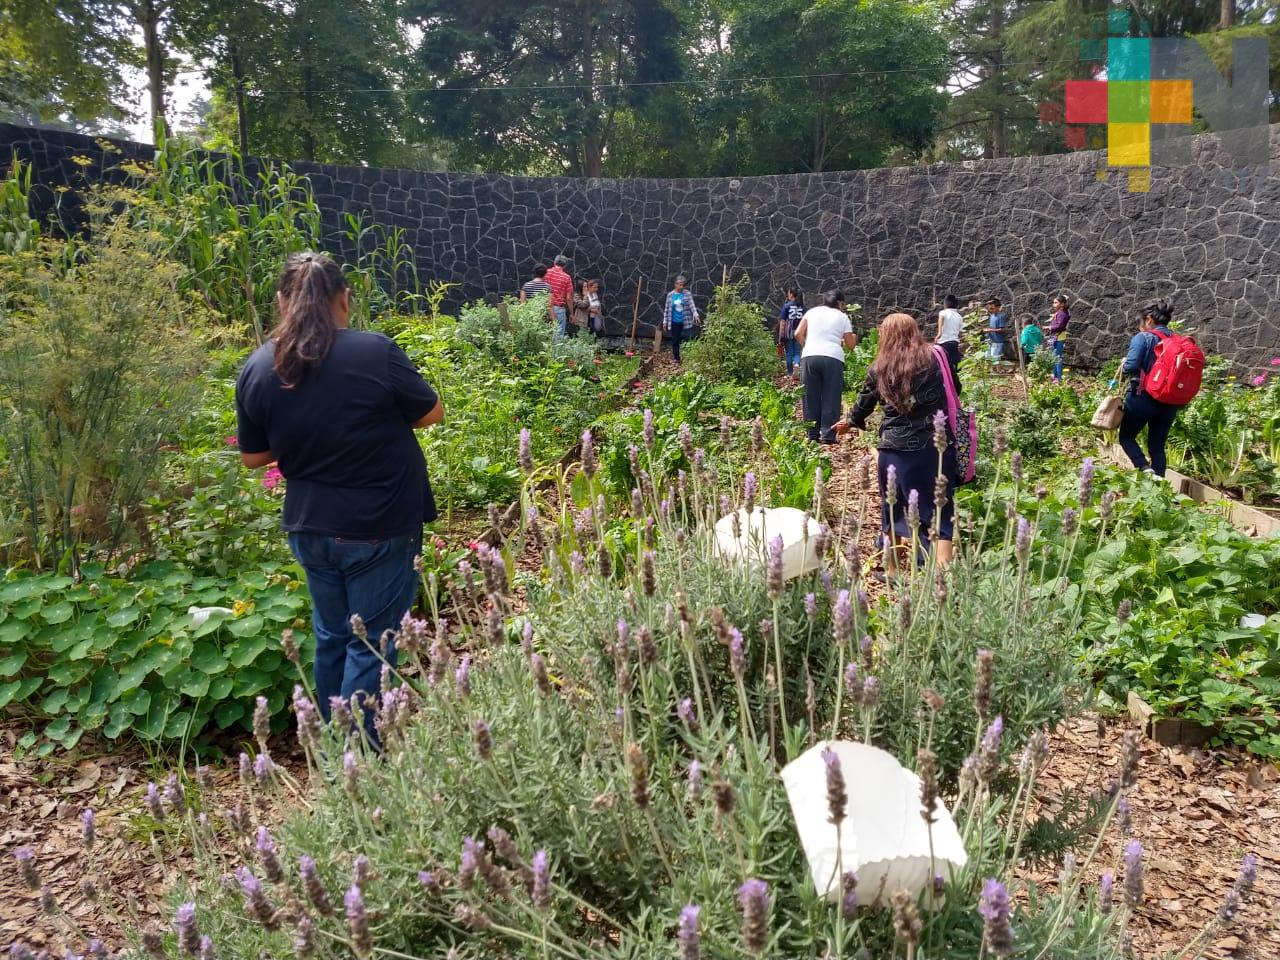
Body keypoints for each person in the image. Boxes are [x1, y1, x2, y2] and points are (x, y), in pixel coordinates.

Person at [234, 251, 444, 747]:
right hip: (380, 525)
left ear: (283, 302)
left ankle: (331, 754)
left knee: (331, 638)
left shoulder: (260, 366)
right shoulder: (375, 352)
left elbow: (253, 457)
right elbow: (431, 412)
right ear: (344, 300)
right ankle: (359, 764)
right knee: (370, 647)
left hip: (310, 527)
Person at [835, 312, 956, 569]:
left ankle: (892, 571)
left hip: (893, 448)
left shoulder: (880, 367)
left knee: (892, 507)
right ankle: (945, 575)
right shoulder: (934, 360)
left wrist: (849, 421)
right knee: (940, 510)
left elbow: (863, 404)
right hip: (933, 447)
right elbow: (955, 388)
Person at [1116, 299, 1180, 477]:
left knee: (1127, 437)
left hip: (1142, 396)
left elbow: (1130, 367)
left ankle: (1144, 468)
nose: (1140, 327)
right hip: (1170, 400)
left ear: (1149, 319)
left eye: (1141, 322)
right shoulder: (1178, 340)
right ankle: (1160, 486)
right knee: (1157, 446)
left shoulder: (1143, 338)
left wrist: (1125, 363)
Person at [795, 289, 857, 443]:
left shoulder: (812, 312)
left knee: (810, 395)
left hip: (810, 355)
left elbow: (797, 333)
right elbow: (850, 345)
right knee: (831, 395)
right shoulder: (843, 317)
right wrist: (854, 338)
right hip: (833, 358)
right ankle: (828, 436)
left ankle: (812, 435)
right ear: (839, 303)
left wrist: (806, 345)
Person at [662, 275, 699, 364]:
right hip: (674, 322)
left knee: (688, 339)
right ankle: (677, 358)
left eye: (683, 285)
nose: (682, 287)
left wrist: (695, 315)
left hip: (686, 321)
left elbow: (692, 305)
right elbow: (666, 309)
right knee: (675, 340)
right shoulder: (670, 295)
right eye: (680, 285)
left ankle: (689, 359)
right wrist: (665, 322)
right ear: (675, 284)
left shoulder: (687, 293)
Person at [777, 287, 805, 379]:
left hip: (788, 332)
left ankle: (790, 373)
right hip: (799, 332)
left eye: (788, 293)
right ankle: (797, 364)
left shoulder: (787, 306)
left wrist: (781, 335)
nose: (787, 295)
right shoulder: (803, 307)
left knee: (789, 352)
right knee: (797, 352)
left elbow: (782, 322)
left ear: (792, 295)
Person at [546, 255, 574, 337]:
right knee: (558, 335)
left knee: (545, 334)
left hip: (544, 307)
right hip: (558, 308)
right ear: (565, 265)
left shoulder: (546, 273)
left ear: (554, 262)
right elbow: (569, 298)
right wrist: (571, 313)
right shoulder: (566, 277)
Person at [935, 294, 964, 372]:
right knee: (954, 364)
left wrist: (939, 333)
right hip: (954, 343)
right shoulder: (959, 316)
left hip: (944, 342)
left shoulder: (943, 313)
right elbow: (960, 333)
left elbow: (941, 318)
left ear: (945, 304)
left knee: (944, 364)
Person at [1048, 294, 1070, 382]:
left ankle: (1058, 377)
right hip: (1055, 336)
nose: (1054, 304)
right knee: (1054, 356)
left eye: (1056, 302)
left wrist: (1050, 327)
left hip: (1059, 337)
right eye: (1054, 303)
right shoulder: (1060, 313)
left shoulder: (1062, 314)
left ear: (1062, 304)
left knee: (1057, 357)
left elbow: (1060, 326)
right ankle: (1055, 375)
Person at [984, 298, 1009, 362]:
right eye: (990, 309)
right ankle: (991, 370)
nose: (990, 310)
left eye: (992, 308)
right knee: (988, 356)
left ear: (998, 307)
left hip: (997, 341)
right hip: (991, 340)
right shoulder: (992, 316)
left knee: (995, 357)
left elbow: (1003, 329)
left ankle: (999, 370)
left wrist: (990, 330)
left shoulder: (1001, 316)